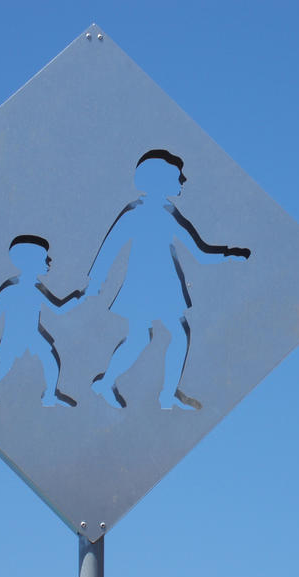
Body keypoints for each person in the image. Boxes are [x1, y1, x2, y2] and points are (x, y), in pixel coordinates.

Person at [90, 150, 249, 409]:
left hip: (165, 284)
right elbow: (110, 247)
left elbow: (199, 251)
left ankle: (167, 395)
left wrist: (228, 254)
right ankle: (106, 383)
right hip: (142, 286)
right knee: (141, 338)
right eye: (178, 175)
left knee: (178, 333)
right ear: (158, 180)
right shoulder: (135, 212)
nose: (184, 180)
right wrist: (95, 281)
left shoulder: (168, 212)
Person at [0, 237, 60, 406]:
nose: (49, 260)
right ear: (31, 262)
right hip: (14, 337)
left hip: (33, 334)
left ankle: (50, 395)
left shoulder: (36, 287)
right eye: (45, 258)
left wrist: (81, 297)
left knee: (51, 361)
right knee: (2, 367)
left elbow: (58, 308)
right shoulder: (11, 288)